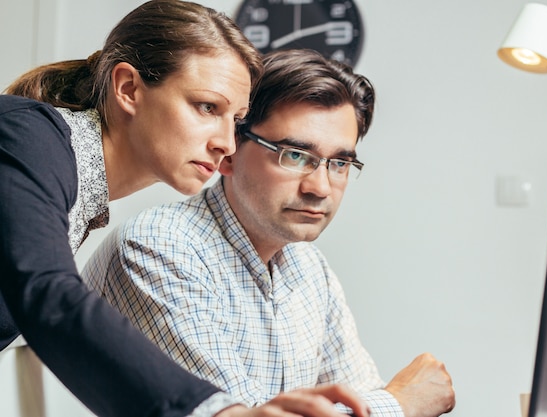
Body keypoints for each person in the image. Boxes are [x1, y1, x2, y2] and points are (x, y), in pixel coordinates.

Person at [0, 1, 370, 417]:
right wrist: (223, 413)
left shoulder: (66, 178)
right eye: (207, 107)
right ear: (128, 89)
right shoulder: (28, 131)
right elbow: (47, 293)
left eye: (236, 119)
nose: (227, 143)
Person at [82, 49, 456, 417]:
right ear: (229, 151)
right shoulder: (159, 248)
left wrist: (386, 403)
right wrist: (401, 403)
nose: (321, 188)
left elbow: (358, 395)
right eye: (294, 155)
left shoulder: (308, 268)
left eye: (339, 163)